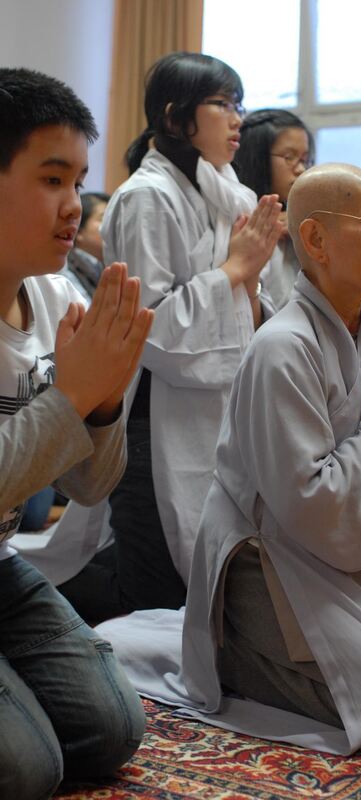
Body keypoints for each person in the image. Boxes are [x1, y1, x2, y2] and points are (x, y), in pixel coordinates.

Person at [133, 163, 361, 755]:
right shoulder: (282, 349)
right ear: (317, 241)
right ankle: (237, 651)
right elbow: (311, 509)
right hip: (276, 563)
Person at [21, 52, 282, 624]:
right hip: (149, 415)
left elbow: (262, 302)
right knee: (155, 595)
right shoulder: (146, 197)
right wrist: (235, 272)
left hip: (216, 406)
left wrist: (252, 283)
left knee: (203, 574)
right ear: (174, 115)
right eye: (223, 104)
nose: (238, 119)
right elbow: (149, 327)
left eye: (240, 105)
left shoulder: (232, 195)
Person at [0, 68, 151, 800]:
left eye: (80, 181)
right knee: (28, 770)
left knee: (111, 728)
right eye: (52, 179)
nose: (76, 208)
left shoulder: (57, 291)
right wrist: (74, 393)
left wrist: (101, 404)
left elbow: (90, 484)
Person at [233, 109, 314, 309]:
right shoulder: (237, 217)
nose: (300, 169)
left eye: (304, 160)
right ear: (256, 158)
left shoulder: (301, 218)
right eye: (289, 157)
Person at [61, 191, 110, 302]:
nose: (111, 227)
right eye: (103, 219)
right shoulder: (63, 268)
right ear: (79, 231)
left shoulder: (106, 265)